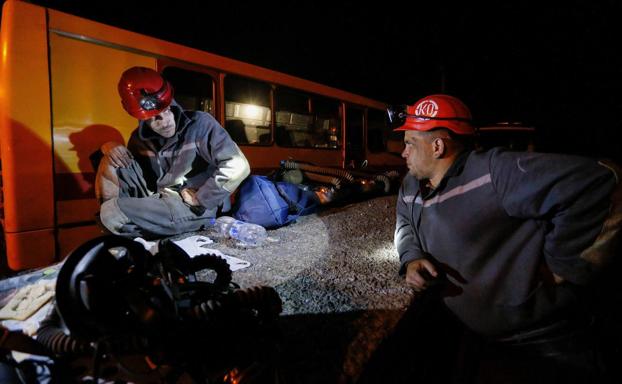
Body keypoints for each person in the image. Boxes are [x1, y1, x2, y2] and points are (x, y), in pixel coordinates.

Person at [391, 94, 621, 383]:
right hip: (481, 339)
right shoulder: (411, 185)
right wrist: (411, 257)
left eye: (410, 143)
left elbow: (601, 183)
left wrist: (563, 266)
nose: (403, 153)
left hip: (542, 345)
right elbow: (404, 221)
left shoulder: (495, 172)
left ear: (437, 146)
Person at [95, 67, 250, 238]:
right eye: (154, 118)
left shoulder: (200, 124)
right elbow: (132, 175)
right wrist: (110, 147)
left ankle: (129, 227)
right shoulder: (139, 140)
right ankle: (128, 224)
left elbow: (238, 165)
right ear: (141, 118)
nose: (166, 121)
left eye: (167, 110)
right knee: (109, 162)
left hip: (194, 204)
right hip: (162, 200)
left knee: (112, 213)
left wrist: (201, 198)